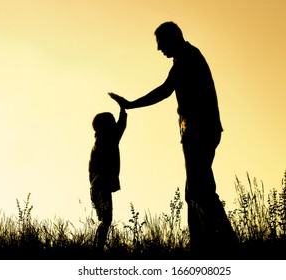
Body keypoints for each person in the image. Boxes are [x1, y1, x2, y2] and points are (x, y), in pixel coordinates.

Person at [109, 21, 237, 257]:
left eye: (160, 43)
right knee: (193, 191)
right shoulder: (187, 58)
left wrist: (131, 104)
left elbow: (164, 90)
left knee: (200, 190)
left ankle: (227, 243)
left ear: (172, 38)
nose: (159, 49)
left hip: (199, 131)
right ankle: (203, 247)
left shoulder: (187, 59)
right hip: (199, 131)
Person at [89, 97, 127, 253]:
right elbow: (120, 127)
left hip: (97, 186)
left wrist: (122, 111)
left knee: (105, 220)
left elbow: (119, 127)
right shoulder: (107, 140)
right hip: (101, 185)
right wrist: (123, 109)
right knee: (106, 220)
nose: (114, 125)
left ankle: (98, 247)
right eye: (111, 122)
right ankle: (98, 248)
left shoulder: (102, 139)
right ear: (106, 126)